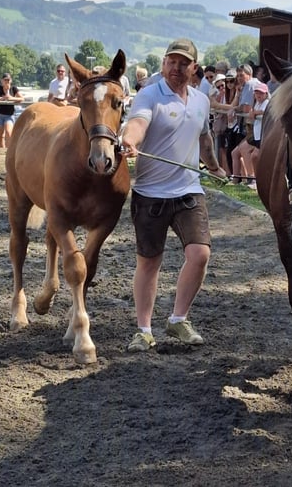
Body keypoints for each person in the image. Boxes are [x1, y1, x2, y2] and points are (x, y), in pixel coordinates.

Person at [120, 38, 227, 353]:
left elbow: (204, 139)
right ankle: (144, 330)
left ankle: (178, 319)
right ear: (163, 63)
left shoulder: (200, 101)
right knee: (149, 262)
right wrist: (130, 140)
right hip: (150, 193)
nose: (176, 68)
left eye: (184, 63)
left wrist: (216, 168)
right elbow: (137, 124)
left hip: (188, 190)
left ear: (194, 68)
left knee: (200, 254)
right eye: (171, 61)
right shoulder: (149, 94)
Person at [0, 72, 24, 148]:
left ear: (10, 80)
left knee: (9, 133)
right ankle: (1, 150)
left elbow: (21, 98)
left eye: (8, 80)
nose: (6, 81)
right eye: (5, 80)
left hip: (9, 114)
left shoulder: (13, 89)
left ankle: (9, 150)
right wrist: (1, 98)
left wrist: (11, 98)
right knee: (0, 136)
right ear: (2, 81)